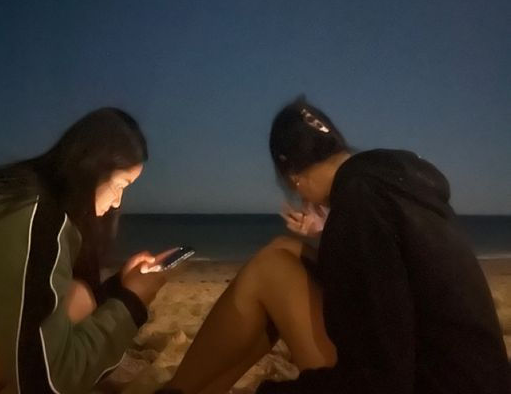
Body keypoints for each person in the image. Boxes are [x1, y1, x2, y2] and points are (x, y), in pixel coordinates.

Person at [165, 97, 510, 394]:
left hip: (427, 385)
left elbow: (382, 375)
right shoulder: (387, 184)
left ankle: (176, 390)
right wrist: (329, 233)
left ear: (293, 176)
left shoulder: (360, 203)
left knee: (270, 269)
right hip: (476, 378)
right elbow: (396, 278)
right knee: (284, 251)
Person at [0, 107, 170, 394]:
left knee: (78, 298)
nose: (117, 202)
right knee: (77, 301)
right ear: (92, 167)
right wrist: (134, 301)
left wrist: (119, 288)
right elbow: (45, 383)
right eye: (120, 185)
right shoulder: (33, 217)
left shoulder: (18, 194)